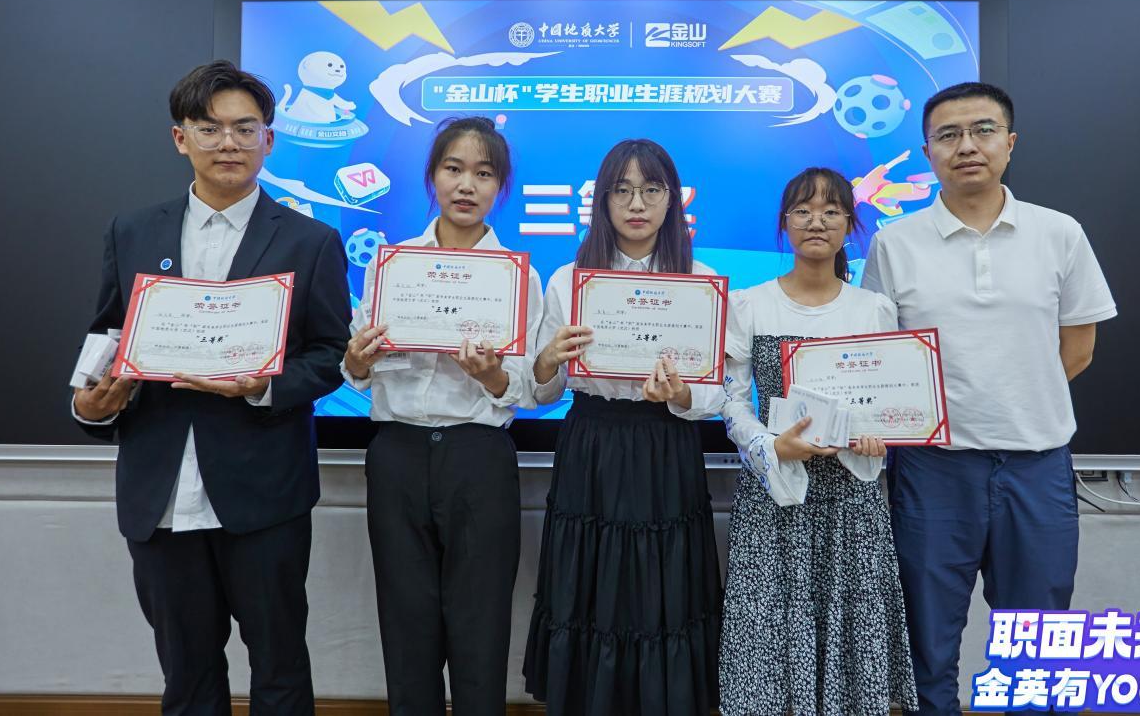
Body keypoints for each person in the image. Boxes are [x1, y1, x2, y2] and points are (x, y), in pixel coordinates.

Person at [72, 60, 352, 714]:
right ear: (181, 138)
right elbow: (106, 335)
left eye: (245, 128)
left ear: (268, 140)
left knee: (280, 666)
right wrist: (87, 402)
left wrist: (262, 385)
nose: (228, 142)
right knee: (187, 672)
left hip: (265, 492)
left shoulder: (311, 241)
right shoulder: (132, 231)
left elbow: (330, 355)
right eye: (210, 128)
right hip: (161, 489)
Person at [861, 82, 1117, 715]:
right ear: (928, 152)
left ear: (1010, 142)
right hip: (932, 469)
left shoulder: (1059, 233)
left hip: (1036, 465)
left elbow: (1079, 348)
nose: (966, 146)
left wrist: (1015, 398)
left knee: (1038, 638)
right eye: (948, 135)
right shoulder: (895, 242)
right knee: (926, 638)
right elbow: (881, 356)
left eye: (983, 130)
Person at [341, 116, 543, 716]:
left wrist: (490, 376)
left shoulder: (518, 275)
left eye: (484, 174)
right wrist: (355, 360)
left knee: (481, 625)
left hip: (478, 457)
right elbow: (358, 369)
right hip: (397, 452)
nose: (466, 185)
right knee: (406, 623)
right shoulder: (391, 265)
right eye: (454, 169)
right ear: (433, 177)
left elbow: (527, 388)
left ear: (500, 187)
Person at [523, 139, 723, 716]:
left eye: (651, 189)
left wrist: (681, 393)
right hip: (593, 443)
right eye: (623, 190)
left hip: (666, 444)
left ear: (673, 199)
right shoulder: (569, 279)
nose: (637, 204)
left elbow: (716, 392)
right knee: (590, 587)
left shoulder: (700, 279)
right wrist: (548, 358)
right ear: (602, 200)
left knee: (665, 589)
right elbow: (541, 391)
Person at [718, 167, 918, 716]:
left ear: (850, 225)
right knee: (769, 639)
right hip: (777, 496)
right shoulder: (749, 305)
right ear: (784, 223)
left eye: (831, 211)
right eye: (803, 210)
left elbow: (887, 400)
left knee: (850, 637)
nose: (816, 221)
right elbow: (731, 402)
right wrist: (770, 447)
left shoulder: (873, 309)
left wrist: (880, 438)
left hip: (853, 501)